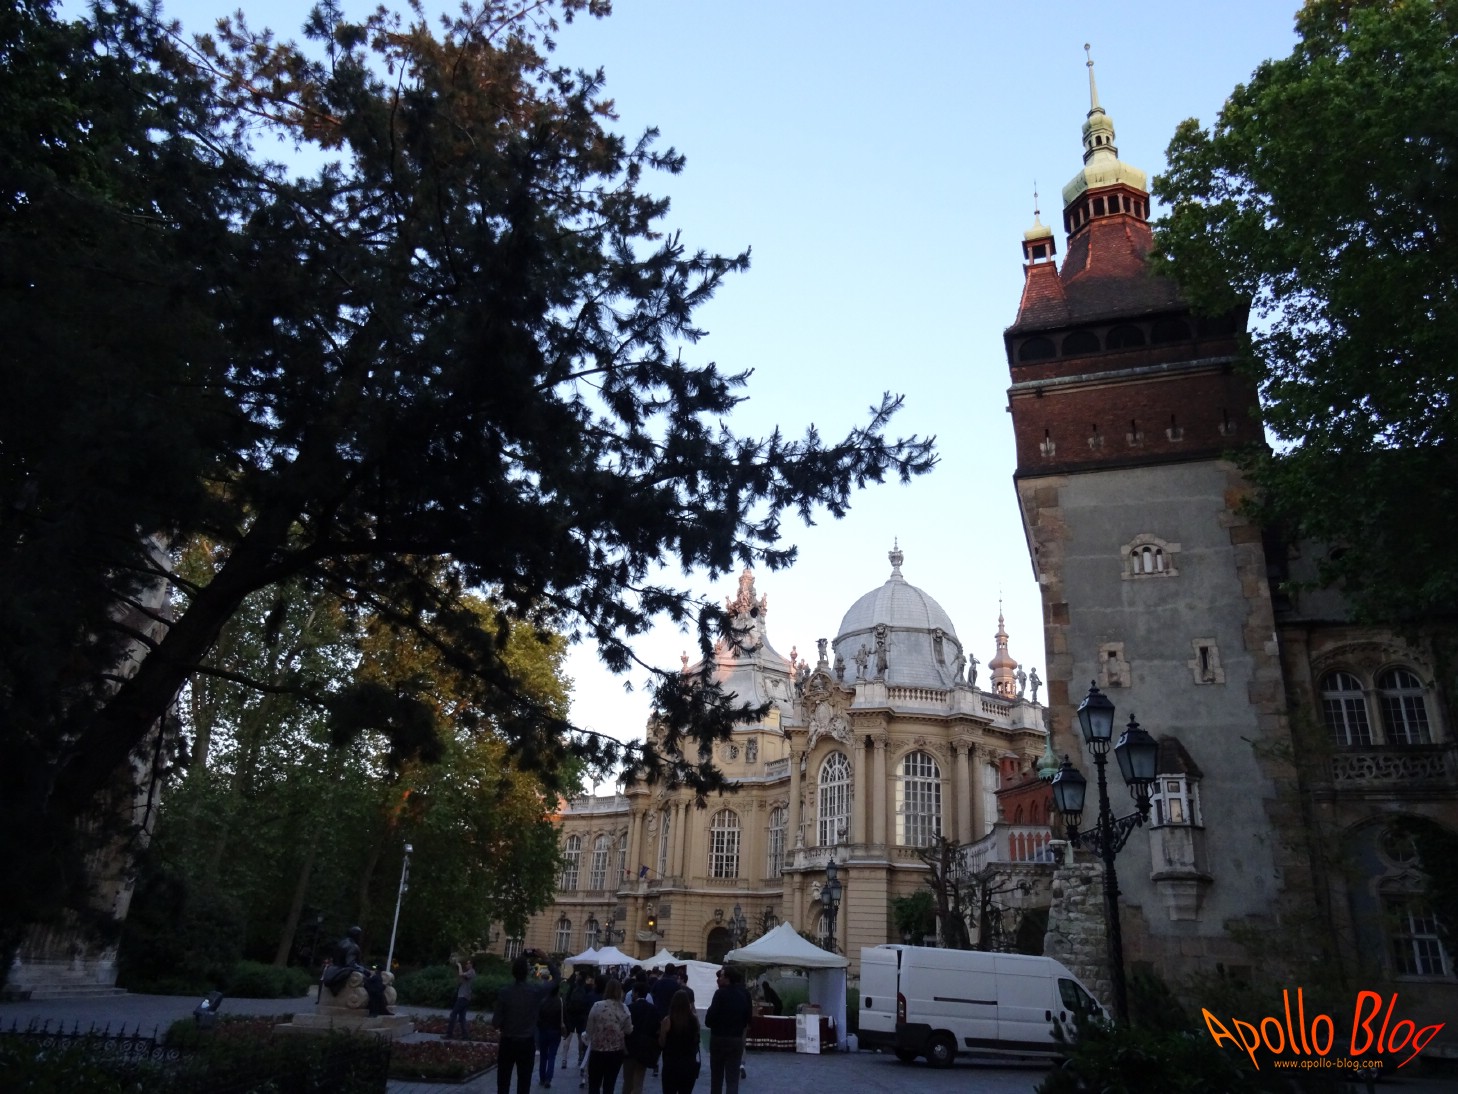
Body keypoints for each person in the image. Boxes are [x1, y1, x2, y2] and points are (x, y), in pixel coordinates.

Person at [493, 951, 562, 1094]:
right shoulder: (535, 991)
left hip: (507, 1042)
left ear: (513, 972)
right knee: (524, 1084)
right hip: (526, 1043)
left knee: (503, 1083)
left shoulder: (504, 992)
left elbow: (495, 1022)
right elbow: (556, 979)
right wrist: (546, 958)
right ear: (527, 973)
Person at [323, 926, 390, 1016]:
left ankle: (379, 1008)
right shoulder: (353, 947)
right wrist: (366, 971)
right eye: (360, 935)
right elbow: (351, 963)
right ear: (357, 936)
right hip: (345, 971)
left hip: (335, 969)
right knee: (375, 986)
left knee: (375, 985)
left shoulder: (341, 943)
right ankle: (376, 1009)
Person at [704, 967, 751, 1094]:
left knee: (716, 1078)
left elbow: (709, 1019)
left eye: (722, 976)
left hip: (718, 1038)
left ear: (728, 978)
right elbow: (747, 1018)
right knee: (732, 1079)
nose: (719, 978)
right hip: (736, 1039)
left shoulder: (720, 994)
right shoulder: (744, 994)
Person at [584, 977, 632, 1094]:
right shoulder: (624, 1008)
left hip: (598, 1050)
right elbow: (629, 1030)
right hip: (616, 1051)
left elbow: (589, 1029)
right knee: (609, 1084)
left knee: (594, 1083)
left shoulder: (597, 1006)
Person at [622, 974, 660, 1094]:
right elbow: (656, 1029)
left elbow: (624, 1029)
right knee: (639, 1082)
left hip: (630, 1048)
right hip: (645, 1049)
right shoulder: (653, 1009)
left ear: (636, 993)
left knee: (627, 1081)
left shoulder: (629, 1008)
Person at [657, 989, 700, 1094]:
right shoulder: (694, 1020)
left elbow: (662, 1043)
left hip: (671, 1063)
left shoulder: (668, 1020)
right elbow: (696, 1040)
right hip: (689, 1063)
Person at [560, 971, 593, 1074]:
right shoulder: (587, 988)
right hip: (582, 1016)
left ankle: (564, 1059)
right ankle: (580, 1057)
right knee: (580, 1037)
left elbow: (566, 999)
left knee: (568, 1037)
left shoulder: (572, 986)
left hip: (571, 1015)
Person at [538, 979, 565, 1089]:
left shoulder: (542, 1002)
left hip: (543, 1031)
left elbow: (538, 1018)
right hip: (555, 1031)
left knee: (543, 1056)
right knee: (552, 1055)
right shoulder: (560, 1002)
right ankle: (548, 1079)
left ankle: (542, 1078)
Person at [447, 957, 475, 1039]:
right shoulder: (469, 972)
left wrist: (459, 966)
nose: (466, 964)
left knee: (453, 1014)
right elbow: (461, 979)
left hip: (463, 997)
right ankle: (465, 1036)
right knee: (462, 1017)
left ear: (471, 965)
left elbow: (461, 974)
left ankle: (449, 1034)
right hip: (464, 996)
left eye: (468, 963)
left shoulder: (471, 972)